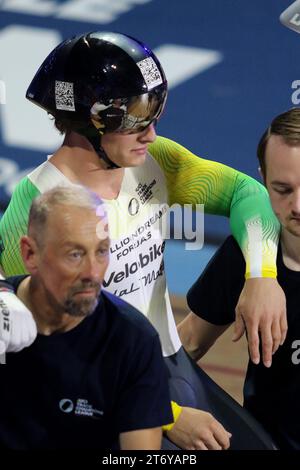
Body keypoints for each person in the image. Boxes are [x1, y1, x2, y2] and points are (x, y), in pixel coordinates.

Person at [0, 31, 286, 449]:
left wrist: (261, 276)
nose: (151, 135)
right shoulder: (33, 213)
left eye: (154, 115)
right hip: (98, 395)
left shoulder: (152, 163)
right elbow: (40, 356)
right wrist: (163, 414)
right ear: (89, 123)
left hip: (164, 364)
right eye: (137, 121)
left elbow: (248, 194)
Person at [0, 185, 173, 450]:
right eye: (75, 254)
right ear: (30, 254)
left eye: (101, 251)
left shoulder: (133, 341)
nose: (93, 273)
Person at [179, 107, 300, 449]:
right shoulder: (247, 253)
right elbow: (188, 344)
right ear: (262, 178)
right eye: (282, 189)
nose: (298, 206)